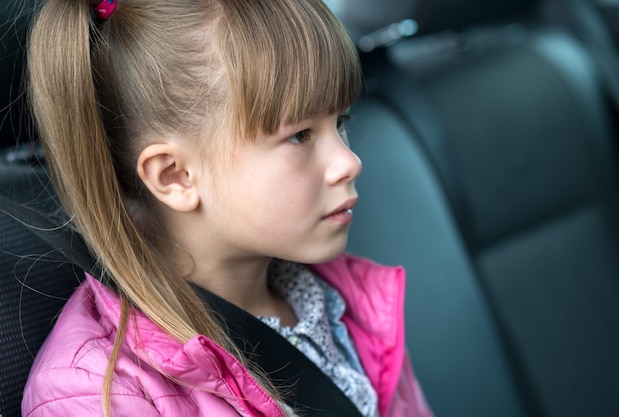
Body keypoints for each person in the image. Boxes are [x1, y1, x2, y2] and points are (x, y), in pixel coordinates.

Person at [22, 0, 434, 416]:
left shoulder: (348, 303)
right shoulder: (100, 392)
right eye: (301, 135)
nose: (350, 162)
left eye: (340, 122)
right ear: (175, 177)